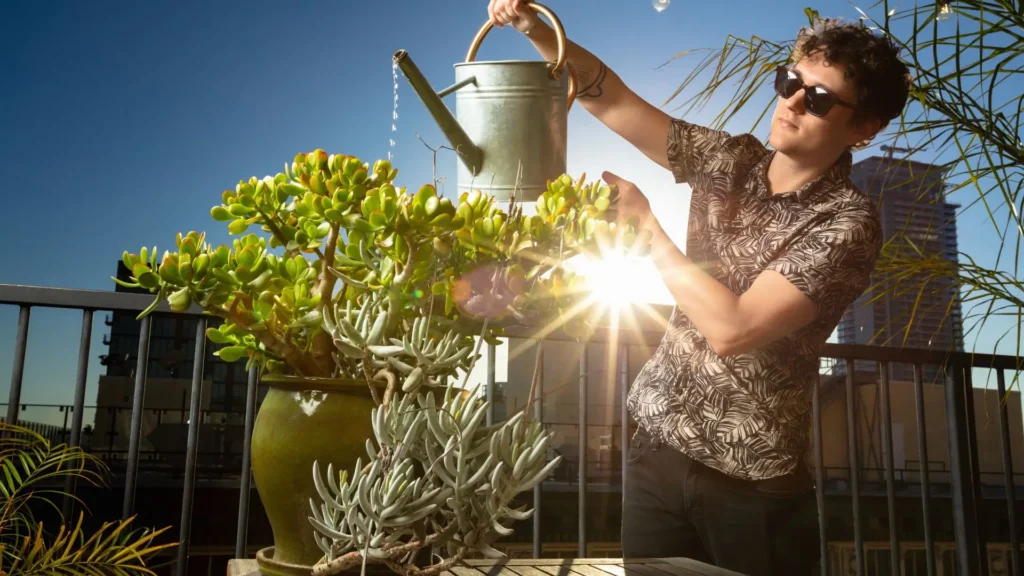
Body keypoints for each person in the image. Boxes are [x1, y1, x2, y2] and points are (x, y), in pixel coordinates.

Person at [486, 2, 911, 574]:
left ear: (863, 129)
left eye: (818, 99)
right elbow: (612, 100)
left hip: (752, 484)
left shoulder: (848, 223)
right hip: (655, 452)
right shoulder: (729, 158)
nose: (791, 102)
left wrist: (646, 229)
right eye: (790, 82)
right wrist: (536, 29)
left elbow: (733, 329)